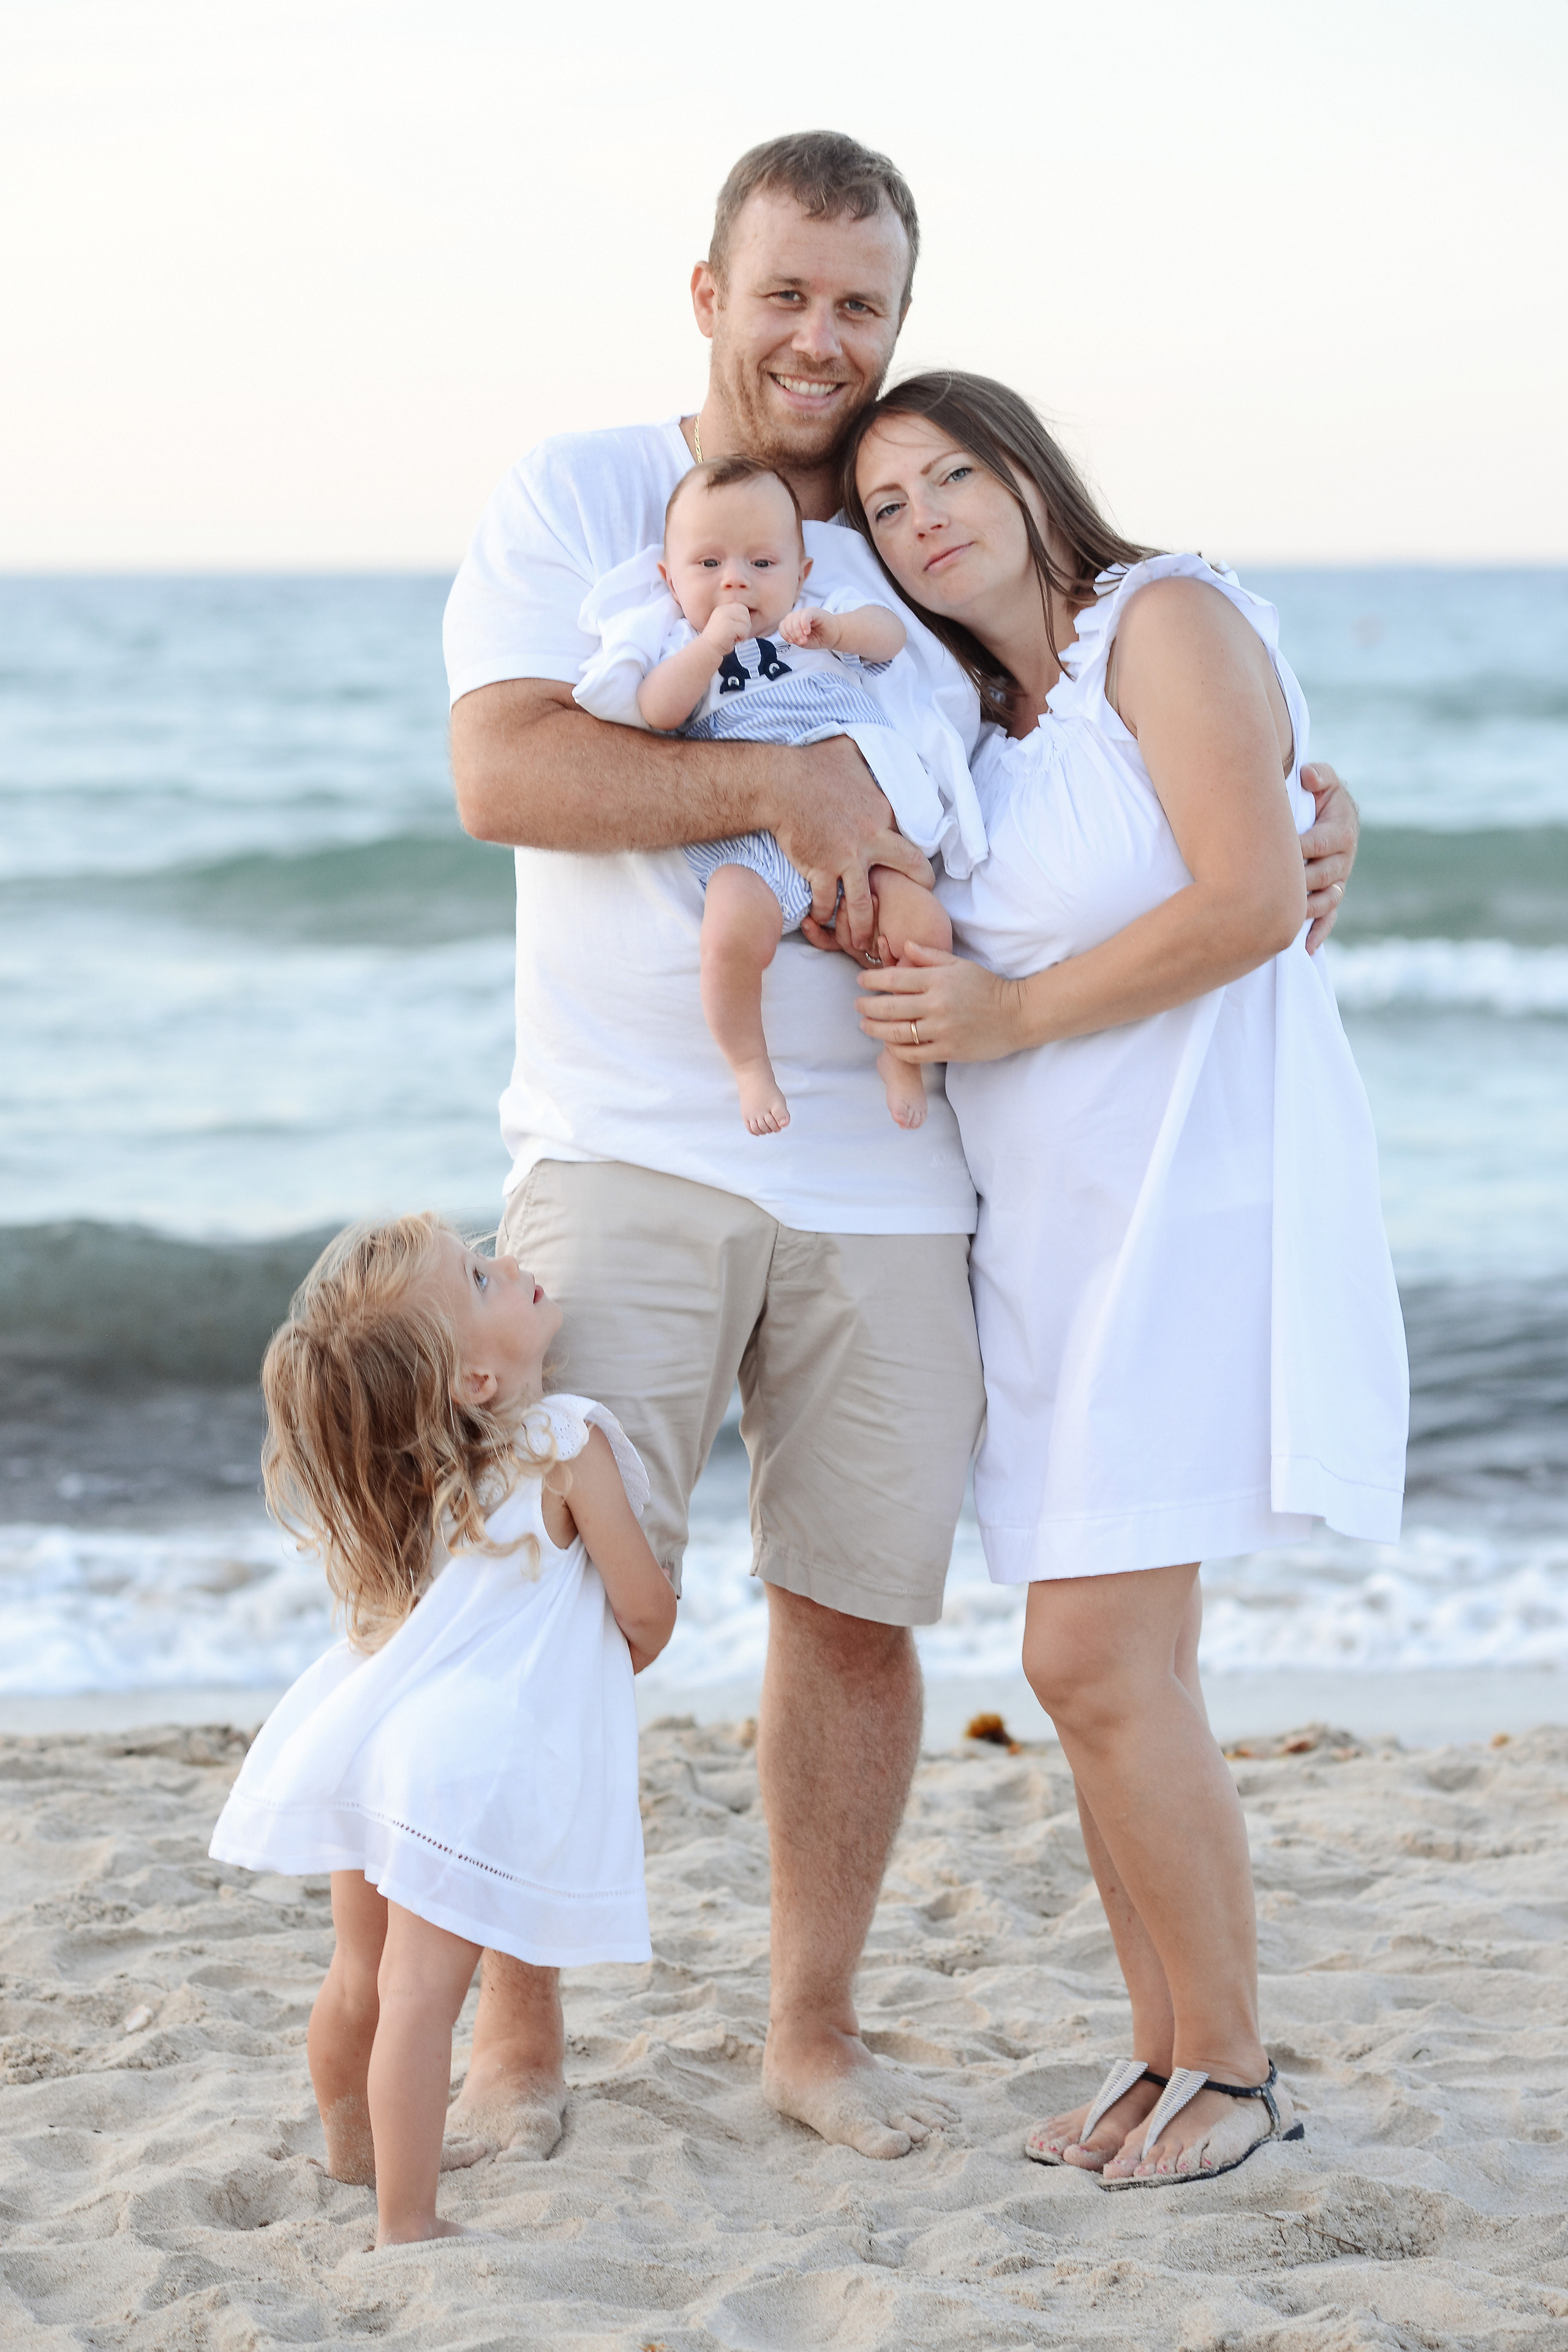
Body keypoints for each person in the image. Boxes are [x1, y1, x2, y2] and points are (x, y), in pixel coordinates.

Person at [443, 128, 1363, 2165]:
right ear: (707, 292)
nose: (820, 337)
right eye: (784, 293)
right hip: (629, 1143)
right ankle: (513, 2041)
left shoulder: (897, 528)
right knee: (548, 1585)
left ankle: (815, 2030)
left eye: (862, 305)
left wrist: (1303, 812)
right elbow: (505, 766)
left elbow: (1093, 718)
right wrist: (792, 785)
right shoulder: (585, 492)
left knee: (859, 1611)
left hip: (898, 1179)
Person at [846, 372, 1408, 2187]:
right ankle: (1166, 2051)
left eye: (953, 469)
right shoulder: (977, 730)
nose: (928, 511)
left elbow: (1251, 894)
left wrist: (1005, 1009)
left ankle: (1232, 2072)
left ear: (1026, 471)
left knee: (1084, 1652)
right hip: (1055, 1240)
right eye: (888, 498)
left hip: (1193, 1203)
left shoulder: (1159, 619)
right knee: (1109, 1665)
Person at [209, 1215, 676, 2244]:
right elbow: (645, 1610)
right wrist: (603, 1664)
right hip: (464, 1764)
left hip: (378, 1733)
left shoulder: (405, 1474)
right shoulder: (563, 1443)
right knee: (425, 1997)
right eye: (478, 1274)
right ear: (473, 1382)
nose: (507, 1262)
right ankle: (408, 2222)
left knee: (364, 1976)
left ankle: (356, 2154)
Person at [576, 453, 973, 1134]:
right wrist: (708, 647)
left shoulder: (817, 618)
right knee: (728, 938)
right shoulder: (677, 641)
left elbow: (890, 638)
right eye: (709, 566)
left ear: (801, 573)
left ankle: (898, 1057)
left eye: (762, 564)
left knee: (923, 929)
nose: (736, 580)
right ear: (670, 580)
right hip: (751, 840)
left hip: (858, 824)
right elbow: (660, 710)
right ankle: (749, 1066)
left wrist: (838, 631)